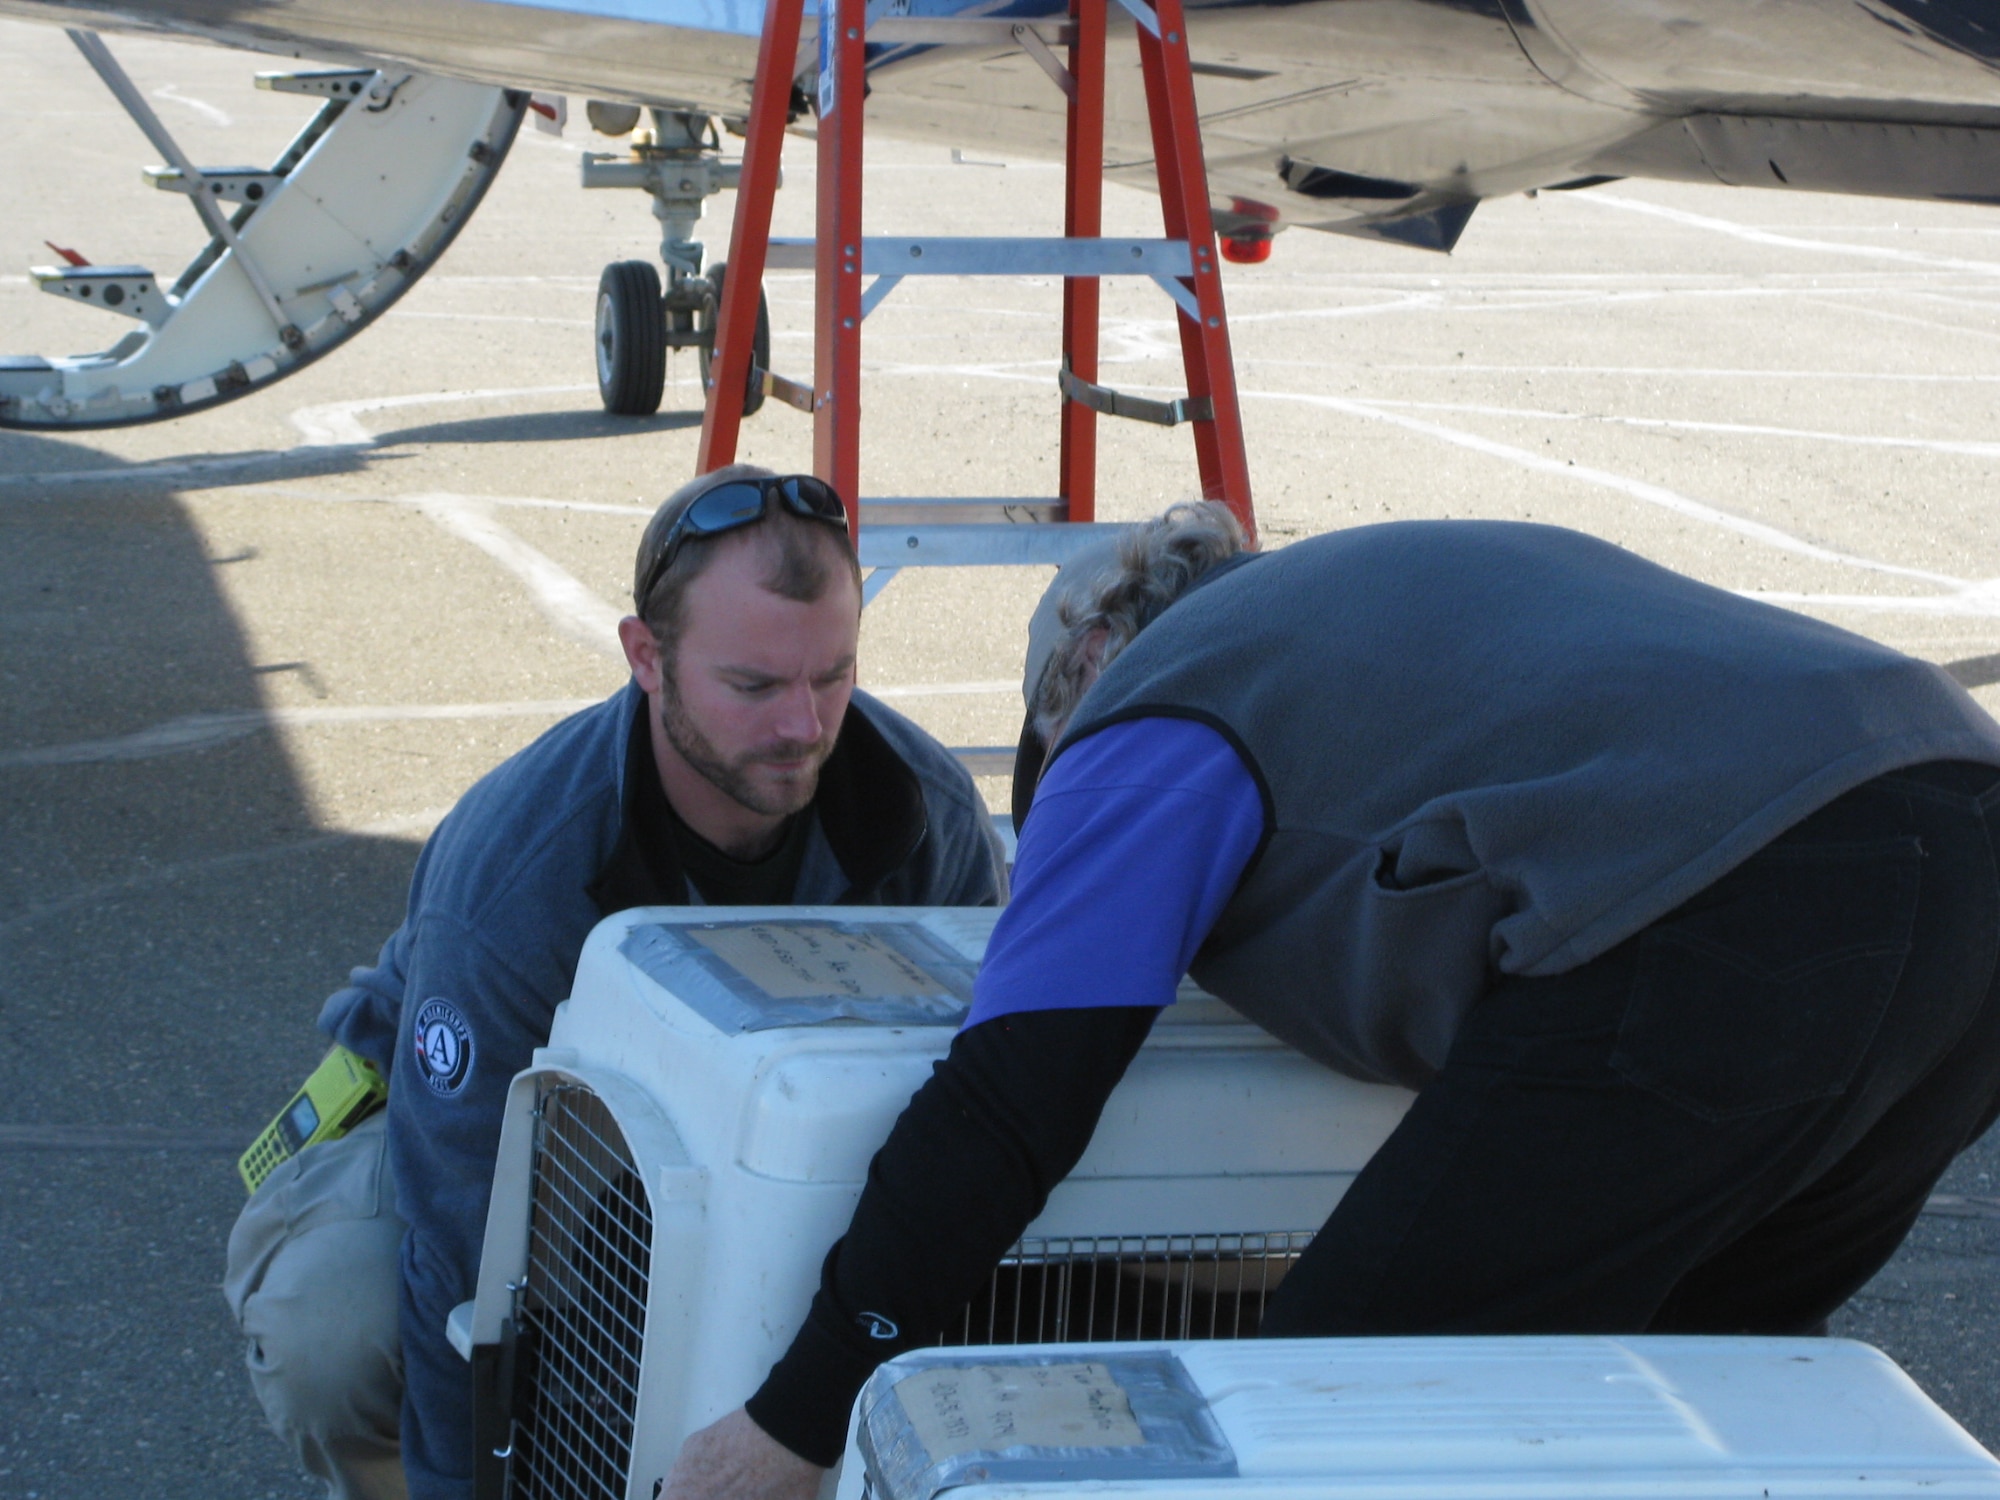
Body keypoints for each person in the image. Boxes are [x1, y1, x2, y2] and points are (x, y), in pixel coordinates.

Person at [659, 502, 2000, 1500]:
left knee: (1311, 1425)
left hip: (1739, 902)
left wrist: (800, 1414)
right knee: (1680, 1411)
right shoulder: (1355, 625)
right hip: (1961, 848)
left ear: (1077, 679)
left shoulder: (1153, 708)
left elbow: (1015, 1095)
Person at [224, 466, 1009, 1500]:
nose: (803, 728)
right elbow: (460, 1256)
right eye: (754, 686)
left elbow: (969, 1121)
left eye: (831, 675)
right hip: (520, 1150)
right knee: (336, 1331)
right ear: (647, 657)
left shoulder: (921, 819)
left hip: (767, 1156)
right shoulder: (516, 878)